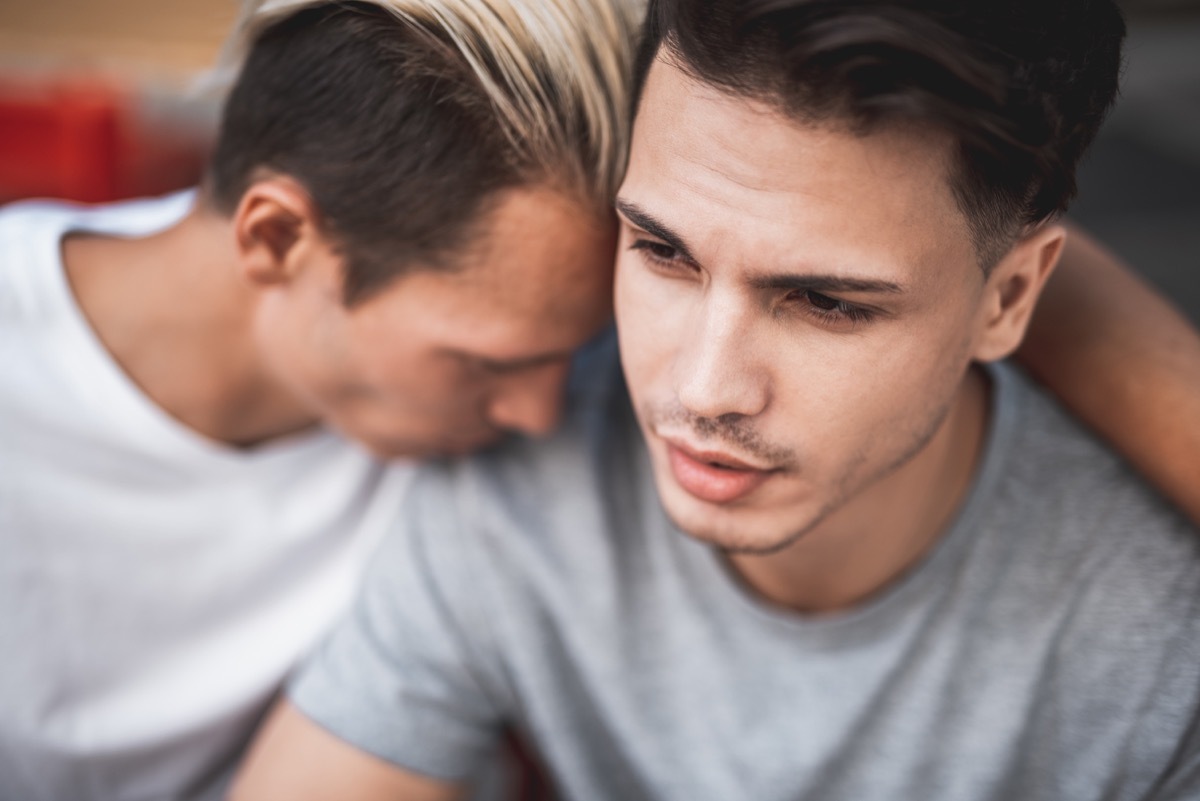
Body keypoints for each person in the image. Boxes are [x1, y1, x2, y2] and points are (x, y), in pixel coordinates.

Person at [229, 0, 1200, 799]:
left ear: (1014, 296)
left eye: (824, 302)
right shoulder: (527, 476)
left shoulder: (1159, 644)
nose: (699, 388)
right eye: (661, 252)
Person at [0, 1, 639, 798]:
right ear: (276, 239)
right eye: (484, 363)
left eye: (562, 358)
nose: (540, 416)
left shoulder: (479, 421)